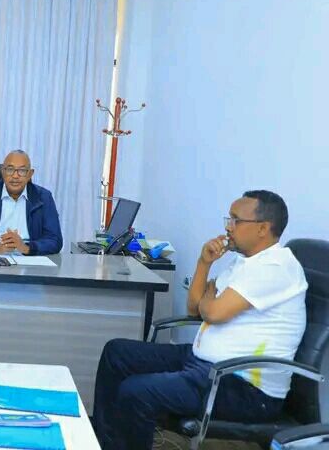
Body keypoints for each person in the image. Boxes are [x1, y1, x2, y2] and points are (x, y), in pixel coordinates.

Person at [92, 190, 307, 450]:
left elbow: (213, 313)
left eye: (236, 220)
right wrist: (204, 263)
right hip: (205, 365)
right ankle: (103, 442)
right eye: (228, 219)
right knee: (116, 352)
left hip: (243, 387)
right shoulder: (244, 262)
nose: (228, 227)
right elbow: (195, 308)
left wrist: (210, 300)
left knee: (137, 391)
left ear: (263, 228)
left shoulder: (276, 267)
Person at [0, 150, 62, 255]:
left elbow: (55, 240)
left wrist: (27, 248)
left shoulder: (44, 198)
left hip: (29, 258)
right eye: (10, 169)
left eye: (22, 170)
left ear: (30, 174)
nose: (15, 176)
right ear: (3, 172)